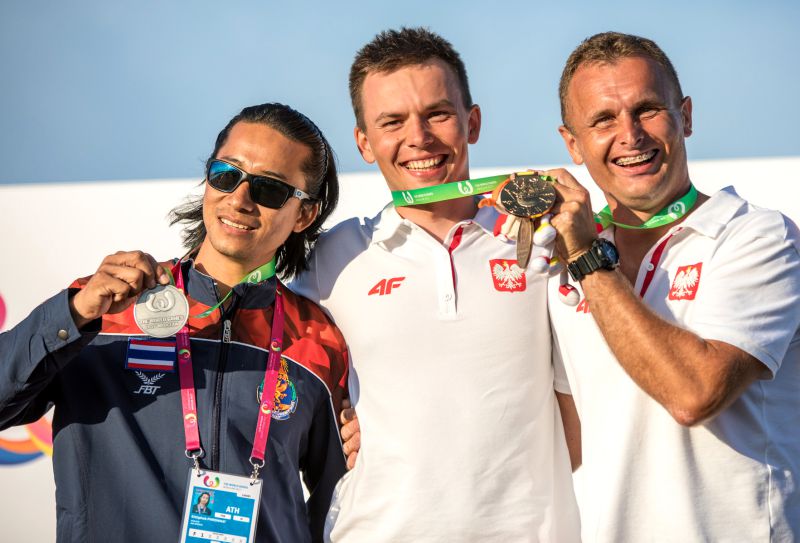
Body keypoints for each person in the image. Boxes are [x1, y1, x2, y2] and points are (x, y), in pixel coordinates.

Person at [0, 103, 349, 542]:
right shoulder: (108, 306)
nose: (239, 199)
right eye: (226, 174)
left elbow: (342, 506)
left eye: (270, 189)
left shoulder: (318, 338)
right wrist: (73, 313)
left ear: (304, 215)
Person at [291, 27, 580, 542]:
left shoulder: (542, 241)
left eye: (437, 114)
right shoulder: (332, 258)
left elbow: (582, 409)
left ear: (472, 122)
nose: (418, 137)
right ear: (363, 141)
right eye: (392, 121)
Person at [545, 32, 800, 541]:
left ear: (685, 115)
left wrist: (586, 256)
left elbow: (693, 393)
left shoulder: (759, 235)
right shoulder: (557, 265)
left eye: (647, 109)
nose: (630, 134)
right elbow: (565, 439)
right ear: (572, 143)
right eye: (602, 120)